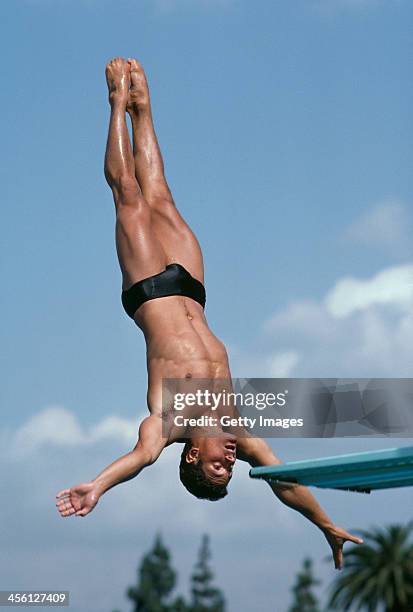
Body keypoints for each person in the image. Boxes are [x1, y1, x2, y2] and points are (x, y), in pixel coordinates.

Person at [56, 58, 362, 569]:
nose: (231, 461)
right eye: (231, 468)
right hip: (193, 291)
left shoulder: (170, 425)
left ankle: (115, 105)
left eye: (220, 467)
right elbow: (282, 484)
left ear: (194, 456)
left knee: (129, 196)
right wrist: (326, 523)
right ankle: (144, 109)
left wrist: (99, 487)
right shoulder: (238, 429)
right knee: (162, 195)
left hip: (148, 291)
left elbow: (139, 458)